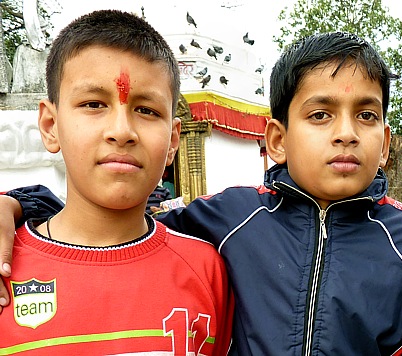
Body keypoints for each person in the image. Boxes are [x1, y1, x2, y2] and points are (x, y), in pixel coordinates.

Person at [0, 31, 402, 355]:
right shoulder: (230, 218)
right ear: (276, 139)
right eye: (320, 115)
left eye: (367, 116)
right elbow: (109, 227)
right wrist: (19, 203)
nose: (346, 134)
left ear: (386, 142)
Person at [0, 10, 232, 354]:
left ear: (172, 140)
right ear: (50, 126)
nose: (122, 131)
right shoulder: (5, 266)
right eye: (94, 104)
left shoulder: (205, 268)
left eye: (147, 110)